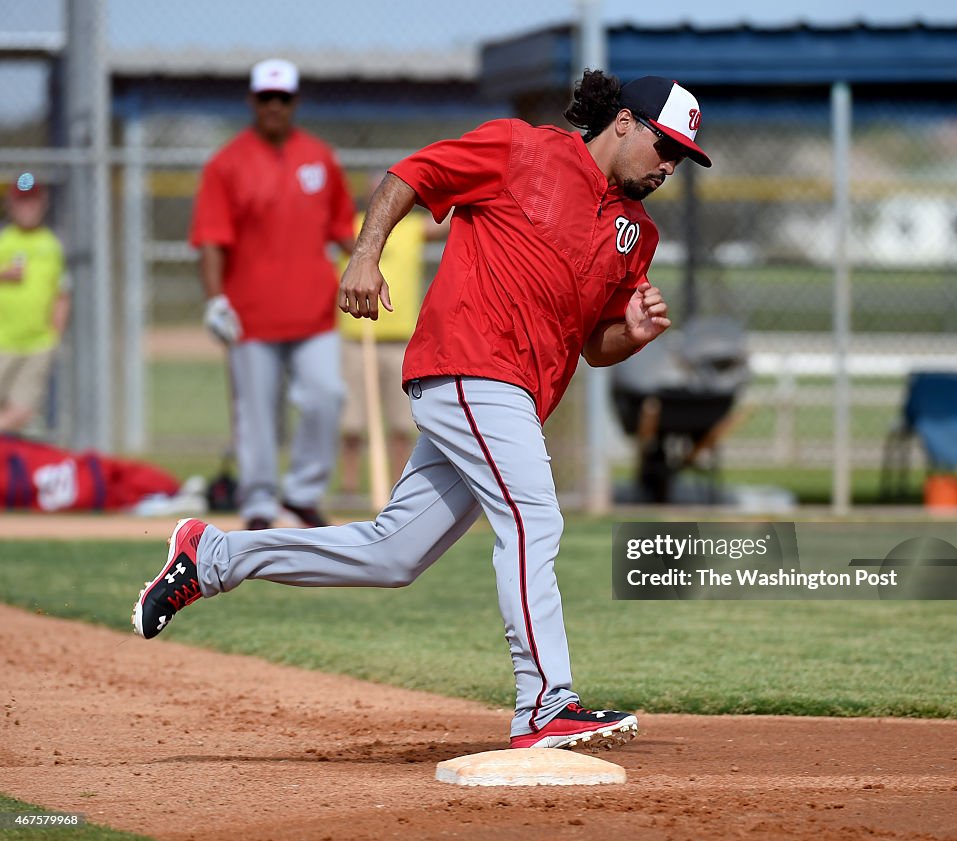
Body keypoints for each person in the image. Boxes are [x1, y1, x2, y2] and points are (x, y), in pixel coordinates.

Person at [134, 71, 712, 750]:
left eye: (681, 157)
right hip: (470, 363)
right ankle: (545, 703)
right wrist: (365, 256)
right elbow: (411, 174)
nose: (669, 164)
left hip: (514, 396)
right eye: (663, 145)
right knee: (534, 518)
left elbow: (592, 346)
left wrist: (631, 334)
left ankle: (211, 557)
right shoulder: (520, 150)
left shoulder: (635, 234)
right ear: (622, 122)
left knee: (392, 553)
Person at [190, 58, 356, 530]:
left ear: (295, 102)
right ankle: (260, 503)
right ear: (252, 101)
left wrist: (368, 263)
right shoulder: (226, 163)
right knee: (256, 415)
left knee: (326, 396)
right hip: (251, 315)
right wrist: (215, 300)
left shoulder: (321, 157)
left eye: (283, 99)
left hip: (316, 310)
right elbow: (210, 239)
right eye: (266, 98)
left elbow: (344, 228)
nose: (274, 107)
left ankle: (303, 494)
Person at [338, 172, 449, 495]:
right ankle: (349, 486)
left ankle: (396, 484)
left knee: (401, 423)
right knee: (352, 422)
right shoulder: (351, 226)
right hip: (357, 337)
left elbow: (450, 223)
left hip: (399, 339)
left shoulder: (411, 228)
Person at [0, 173, 70, 434]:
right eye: (21, 202)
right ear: (10, 204)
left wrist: (54, 335)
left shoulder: (51, 245)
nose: (27, 208)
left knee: (23, 411)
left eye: (32, 201)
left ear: (43, 202)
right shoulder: (4, 239)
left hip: (38, 342)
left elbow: (62, 292)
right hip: (3, 340)